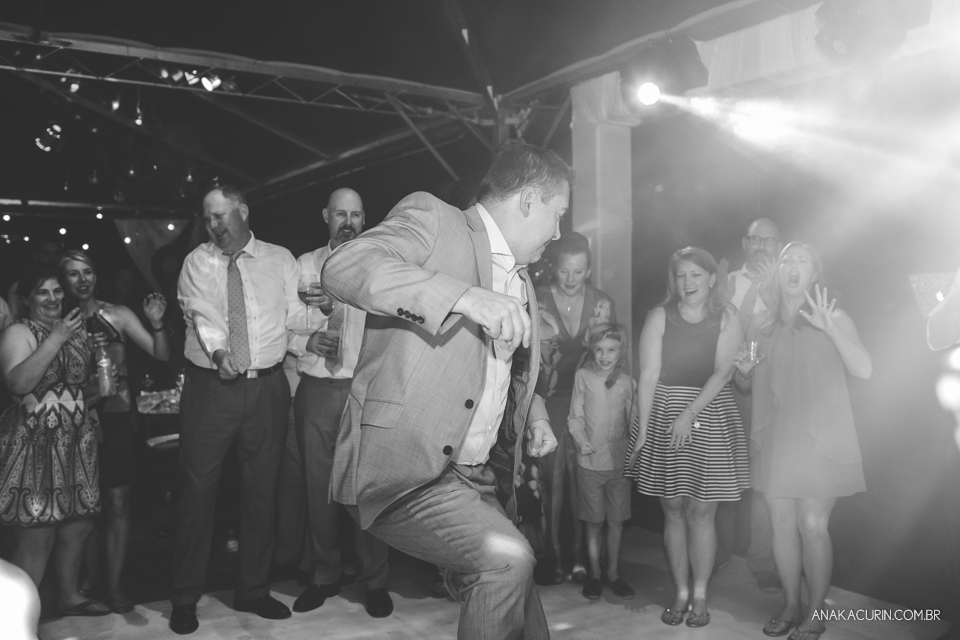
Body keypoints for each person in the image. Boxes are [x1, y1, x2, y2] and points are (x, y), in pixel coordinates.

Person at [320, 140, 569, 640]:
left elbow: (500, 370)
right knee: (507, 563)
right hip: (408, 469)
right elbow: (344, 266)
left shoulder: (521, 278)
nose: (559, 231)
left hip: (480, 478)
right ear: (528, 201)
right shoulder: (437, 220)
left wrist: (536, 411)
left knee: (525, 618)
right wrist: (464, 296)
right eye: (557, 214)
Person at [169, 185, 307, 635]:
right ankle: (185, 597)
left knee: (260, 493)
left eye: (221, 216)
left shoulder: (279, 259)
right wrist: (219, 352)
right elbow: (201, 313)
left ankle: (252, 589)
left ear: (243, 212)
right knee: (197, 494)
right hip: (211, 388)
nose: (214, 226)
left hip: (267, 388)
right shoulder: (197, 262)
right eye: (208, 218)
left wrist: (319, 317)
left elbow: (295, 318)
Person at [734, 242, 871, 640]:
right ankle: (791, 604)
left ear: (814, 274)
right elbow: (745, 383)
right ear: (778, 272)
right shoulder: (761, 323)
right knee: (781, 525)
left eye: (802, 261)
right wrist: (743, 372)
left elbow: (864, 370)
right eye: (786, 261)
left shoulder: (833, 316)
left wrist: (830, 328)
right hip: (776, 437)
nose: (793, 267)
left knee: (812, 526)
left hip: (819, 437)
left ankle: (815, 612)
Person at [626, 246, 749, 629]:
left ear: (712, 279)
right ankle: (680, 591)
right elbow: (648, 375)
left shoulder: (727, 315)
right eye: (681, 275)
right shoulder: (659, 316)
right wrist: (642, 429)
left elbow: (724, 373)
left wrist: (688, 414)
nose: (688, 282)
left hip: (707, 412)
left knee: (702, 511)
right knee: (673, 509)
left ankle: (699, 594)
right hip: (665, 413)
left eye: (696, 274)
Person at [286, 187, 392, 617]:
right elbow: (283, 323)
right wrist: (307, 338)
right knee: (319, 491)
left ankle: (375, 581)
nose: (348, 223)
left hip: (365, 388)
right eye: (340, 214)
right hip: (317, 389)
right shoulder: (304, 265)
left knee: (367, 490)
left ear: (364, 219)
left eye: (355, 215)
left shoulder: (380, 265)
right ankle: (324, 574)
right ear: (326, 216)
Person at [60, 250, 170, 614]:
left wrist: (156, 324)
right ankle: (88, 581)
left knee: (118, 503)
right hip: (75, 420)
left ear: (96, 276)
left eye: (87, 272)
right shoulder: (57, 322)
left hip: (117, 419)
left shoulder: (117, 314)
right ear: (63, 281)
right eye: (73, 274)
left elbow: (161, 354)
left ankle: (115, 583)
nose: (82, 280)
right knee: (85, 509)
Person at [0, 266, 108, 616]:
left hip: (76, 440)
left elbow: (73, 389)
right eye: (42, 292)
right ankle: (15, 618)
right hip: (35, 444)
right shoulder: (19, 331)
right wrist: (56, 338)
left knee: (78, 524)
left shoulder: (74, 333)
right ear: (27, 298)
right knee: (37, 530)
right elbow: (18, 383)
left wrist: (101, 386)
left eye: (57, 291)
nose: (52, 298)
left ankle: (68, 595)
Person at [535, 232, 616, 583]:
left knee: (585, 480)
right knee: (551, 482)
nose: (570, 279)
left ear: (589, 270)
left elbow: (610, 357)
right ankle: (553, 558)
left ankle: (583, 558)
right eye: (564, 271)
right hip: (547, 399)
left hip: (587, 401)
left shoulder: (602, 303)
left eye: (578, 271)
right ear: (555, 268)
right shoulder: (537, 297)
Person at [720, 217, 783, 592]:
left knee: (765, 483)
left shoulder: (790, 282)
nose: (761, 246)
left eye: (769, 241)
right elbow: (720, 333)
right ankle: (718, 553)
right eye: (755, 239)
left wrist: (772, 289)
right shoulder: (726, 281)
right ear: (744, 243)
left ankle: (763, 560)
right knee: (723, 479)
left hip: (770, 394)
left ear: (779, 246)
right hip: (726, 391)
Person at [567, 323, 635, 601]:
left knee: (616, 522)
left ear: (621, 351)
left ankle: (613, 574)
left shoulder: (628, 383)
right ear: (591, 350)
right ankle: (595, 574)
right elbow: (575, 417)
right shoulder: (583, 377)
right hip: (591, 463)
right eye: (599, 350)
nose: (605, 356)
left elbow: (634, 420)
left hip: (620, 464)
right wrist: (581, 440)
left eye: (611, 350)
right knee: (593, 522)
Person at [5, 236, 63, 320]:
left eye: (56, 254)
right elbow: (13, 318)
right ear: (35, 256)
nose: (52, 258)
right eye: (46, 254)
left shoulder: (65, 281)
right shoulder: (18, 287)